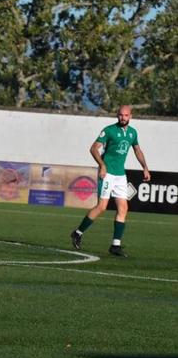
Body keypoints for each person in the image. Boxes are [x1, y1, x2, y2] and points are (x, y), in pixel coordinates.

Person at [70, 105, 150, 257]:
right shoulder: (109, 130)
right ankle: (78, 232)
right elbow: (94, 148)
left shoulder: (133, 133)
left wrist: (145, 167)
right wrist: (102, 165)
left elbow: (137, 150)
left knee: (123, 208)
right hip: (107, 174)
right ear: (117, 115)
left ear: (130, 116)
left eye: (126, 115)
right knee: (102, 207)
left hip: (120, 175)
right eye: (120, 115)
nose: (123, 118)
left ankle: (115, 245)